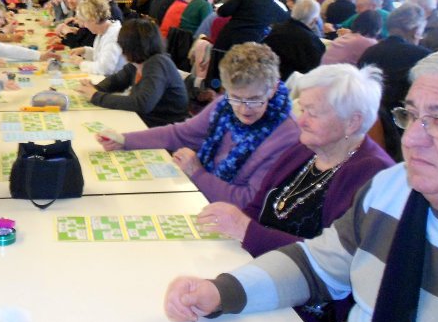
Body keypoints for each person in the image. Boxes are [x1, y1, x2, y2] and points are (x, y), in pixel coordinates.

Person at [164, 47, 438, 322]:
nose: (411, 139)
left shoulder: (375, 175)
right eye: (412, 116)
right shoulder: (391, 188)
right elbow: (319, 263)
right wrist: (222, 291)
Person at [194, 63, 393, 322]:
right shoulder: (304, 149)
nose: (301, 120)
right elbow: (256, 208)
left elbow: (335, 265)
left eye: (313, 113)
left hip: (310, 312)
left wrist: (247, 231)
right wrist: (236, 226)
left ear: (352, 122)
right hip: (259, 275)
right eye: (302, 109)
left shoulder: (373, 177)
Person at [97, 43, 299, 207]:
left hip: (231, 216)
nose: (244, 109)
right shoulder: (225, 105)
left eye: (254, 99)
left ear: (273, 89)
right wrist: (125, 140)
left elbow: (248, 201)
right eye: (236, 98)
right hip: (200, 197)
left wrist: (197, 173)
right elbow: (181, 133)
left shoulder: (287, 135)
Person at [74, 18, 188, 127]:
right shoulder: (140, 62)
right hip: (146, 121)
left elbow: (142, 104)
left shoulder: (157, 64)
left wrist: (96, 96)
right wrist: (95, 88)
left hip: (163, 127)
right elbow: (117, 80)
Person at [213, 0, 288, 53]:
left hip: (227, 40)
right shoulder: (272, 6)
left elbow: (222, 12)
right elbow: (287, 19)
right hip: (249, 47)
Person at [262, 0, 325, 80]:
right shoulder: (314, 43)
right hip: (296, 84)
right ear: (314, 20)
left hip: (269, 78)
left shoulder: (276, 30)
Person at [68, 0, 125, 76]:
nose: (84, 26)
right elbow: (101, 55)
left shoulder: (114, 36)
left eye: (85, 22)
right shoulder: (104, 31)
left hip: (115, 80)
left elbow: (105, 68)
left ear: (93, 20)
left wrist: (81, 63)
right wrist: (84, 50)